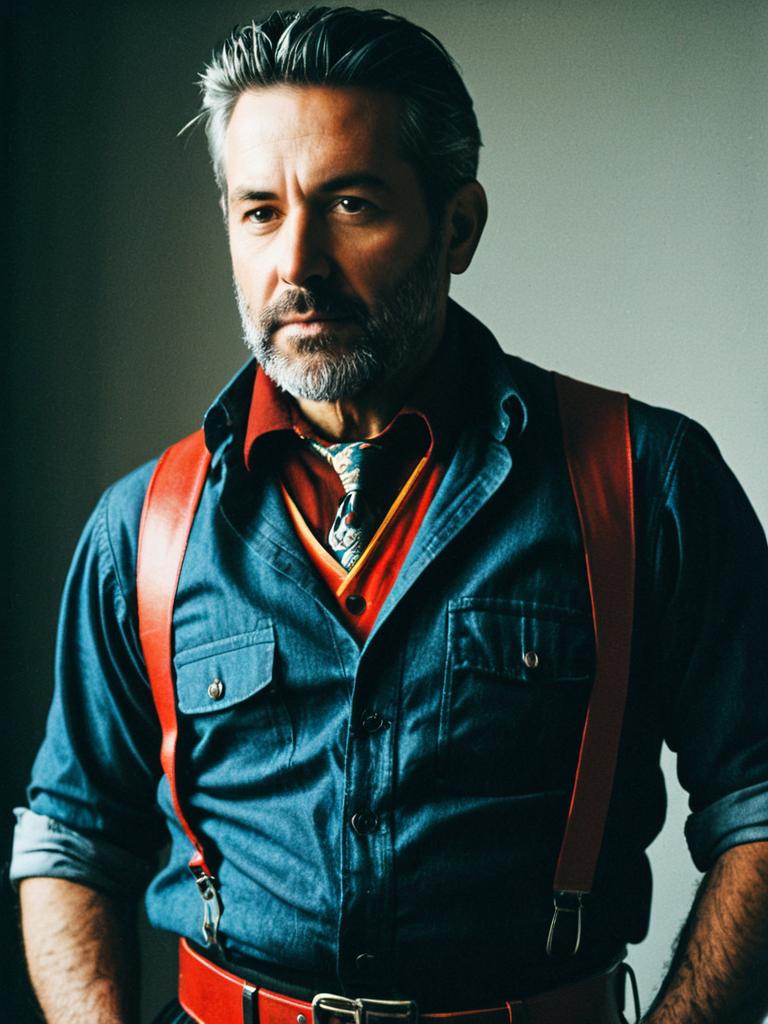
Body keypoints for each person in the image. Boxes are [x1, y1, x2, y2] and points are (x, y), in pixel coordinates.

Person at [10, 6, 768, 1024]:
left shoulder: (647, 481)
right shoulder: (141, 526)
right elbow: (70, 838)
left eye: (351, 204)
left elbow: (759, 806)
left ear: (457, 225)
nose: (298, 265)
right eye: (259, 211)